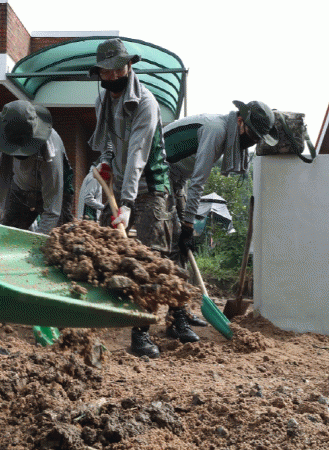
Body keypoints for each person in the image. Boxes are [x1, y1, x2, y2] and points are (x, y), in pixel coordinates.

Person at [88, 38, 204, 358]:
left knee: (155, 258)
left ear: (129, 66)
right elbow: (109, 141)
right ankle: (116, 316)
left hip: (151, 187)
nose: (112, 76)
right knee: (110, 251)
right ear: (99, 73)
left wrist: (126, 203)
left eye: (118, 69)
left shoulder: (146, 103)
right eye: (106, 71)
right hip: (122, 185)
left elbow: (138, 154)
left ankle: (158, 327)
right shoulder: (103, 100)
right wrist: (107, 162)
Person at [0, 99, 72, 336]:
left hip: (54, 196)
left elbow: (52, 210)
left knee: (58, 252)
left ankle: (59, 312)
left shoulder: (51, 151)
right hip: (19, 190)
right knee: (3, 247)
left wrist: (35, 248)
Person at [162, 100, 277, 257]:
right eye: (251, 135)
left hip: (177, 177)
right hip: (158, 168)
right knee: (167, 234)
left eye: (257, 139)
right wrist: (188, 227)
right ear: (239, 120)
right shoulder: (216, 131)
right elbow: (198, 182)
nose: (251, 142)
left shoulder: (227, 131)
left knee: (181, 243)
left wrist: (187, 225)